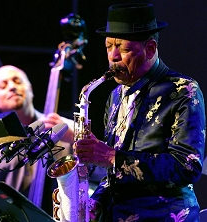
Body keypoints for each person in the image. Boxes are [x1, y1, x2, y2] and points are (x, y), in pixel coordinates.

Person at [74, 3, 206, 222]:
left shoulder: (183, 90)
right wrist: (96, 202)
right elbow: (115, 174)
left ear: (150, 49)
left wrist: (110, 156)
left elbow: (187, 166)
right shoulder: (116, 96)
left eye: (123, 49)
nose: (113, 56)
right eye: (109, 46)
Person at [0, 65, 75, 215]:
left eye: (17, 81)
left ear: (30, 89)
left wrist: (76, 138)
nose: (12, 87)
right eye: (3, 85)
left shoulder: (67, 128)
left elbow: (101, 172)